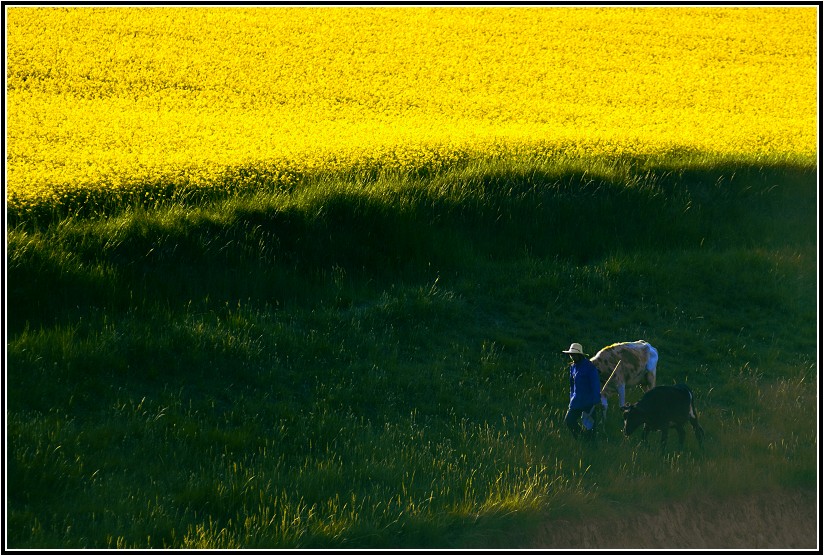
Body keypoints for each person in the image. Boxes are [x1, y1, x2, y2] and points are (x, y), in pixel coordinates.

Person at [561, 342, 602, 439]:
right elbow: (572, 386)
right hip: (576, 401)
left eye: (574, 354)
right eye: (571, 354)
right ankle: (581, 438)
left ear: (579, 355)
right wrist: (571, 400)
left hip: (589, 402)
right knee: (569, 421)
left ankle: (591, 445)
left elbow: (595, 385)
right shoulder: (572, 367)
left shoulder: (590, 367)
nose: (572, 356)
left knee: (591, 427)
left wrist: (596, 401)